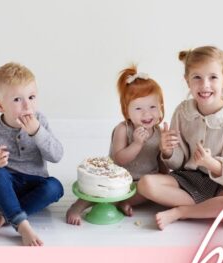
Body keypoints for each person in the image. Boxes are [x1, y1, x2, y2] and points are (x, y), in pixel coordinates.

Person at [137, 46, 223, 230]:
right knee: (145, 184)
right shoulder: (183, 112)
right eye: (197, 77)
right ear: (187, 81)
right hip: (191, 180)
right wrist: (168, 150)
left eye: (213, 77)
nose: (204, 85)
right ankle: (212, 210)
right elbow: (177, 165)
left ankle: (181, 212)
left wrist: (211, 163)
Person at [66, 67, 164, 225]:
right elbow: (119, 159)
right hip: (115, 178)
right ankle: (77, 207)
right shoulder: (123, 130)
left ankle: (124, 201)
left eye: (152, 107)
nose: (146, 114)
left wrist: (166, 175)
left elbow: (159, 161)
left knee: (149, 191)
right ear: (127, 111)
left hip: (142, 182)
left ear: (161, 107)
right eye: (138, 108)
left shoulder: (159, 132)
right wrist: (137, 144)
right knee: (100, 190)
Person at [0, 62, 64, 246]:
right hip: (5, 187)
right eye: (17, 100)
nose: (27, 105)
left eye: (32, 97)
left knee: (55, 187)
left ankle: (5, 216)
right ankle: (22, 225)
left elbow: (57, 155)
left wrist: (37, 132)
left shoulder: (40, 120)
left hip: (35, 184)